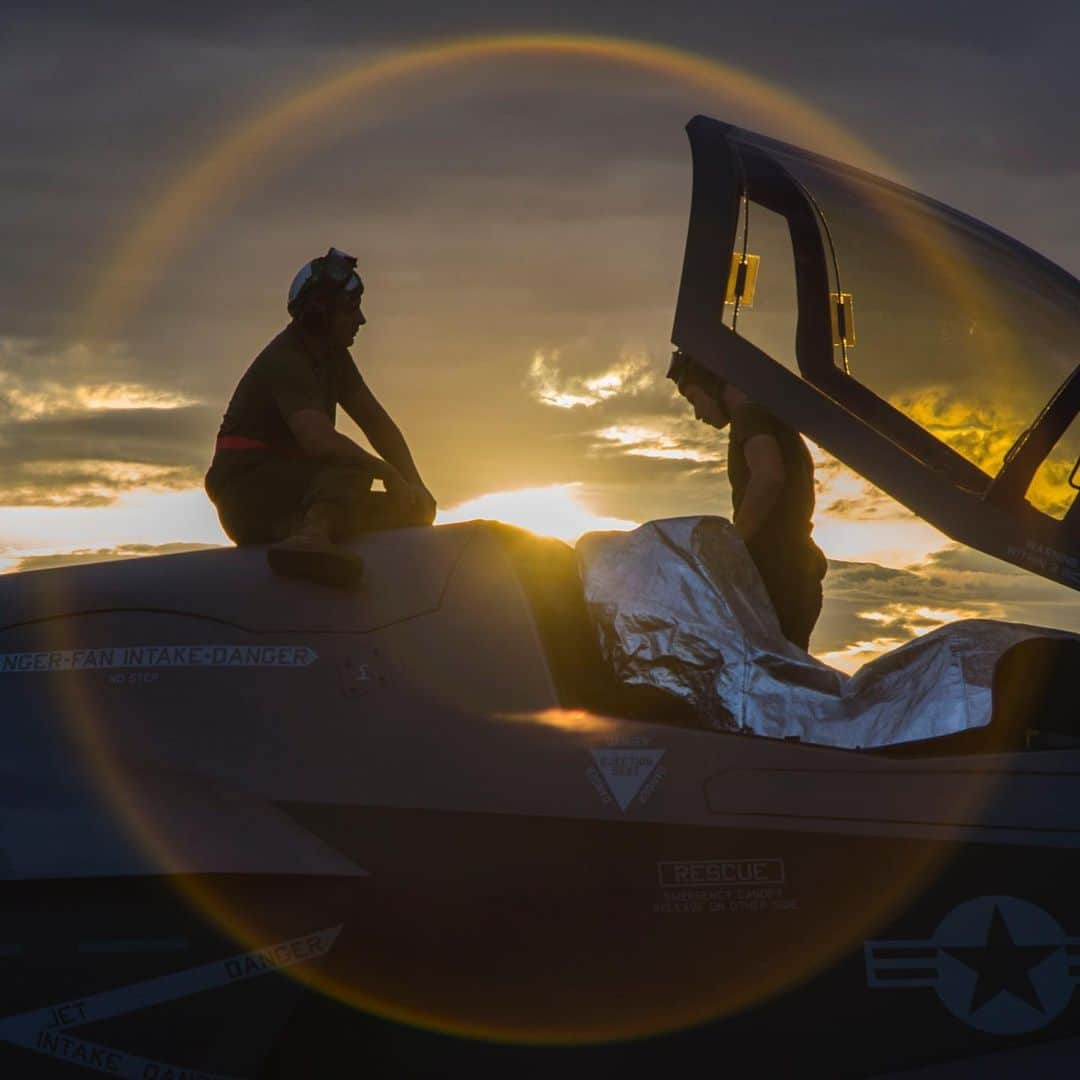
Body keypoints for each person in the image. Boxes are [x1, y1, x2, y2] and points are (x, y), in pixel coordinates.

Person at [204, 247, 435, 588]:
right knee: (349, 466)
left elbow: (377, 424)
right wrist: (385, 471)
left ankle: (312, 528)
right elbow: (320, 442)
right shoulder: (288, 359)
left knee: (408, 512)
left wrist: (416, 486)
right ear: (318, 315)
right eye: (351, 310)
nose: (361, 320)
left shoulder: (334, 357)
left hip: (298, 494)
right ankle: (310, 537)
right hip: (249, 497)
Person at [667, 350, 826, 650]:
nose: (697, 414)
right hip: (793, 573)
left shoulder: (751, 417)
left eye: (693, 400)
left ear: (712, 384)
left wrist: (733, 545)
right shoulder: (768, 416)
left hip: (777, 578)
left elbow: (768, 477)